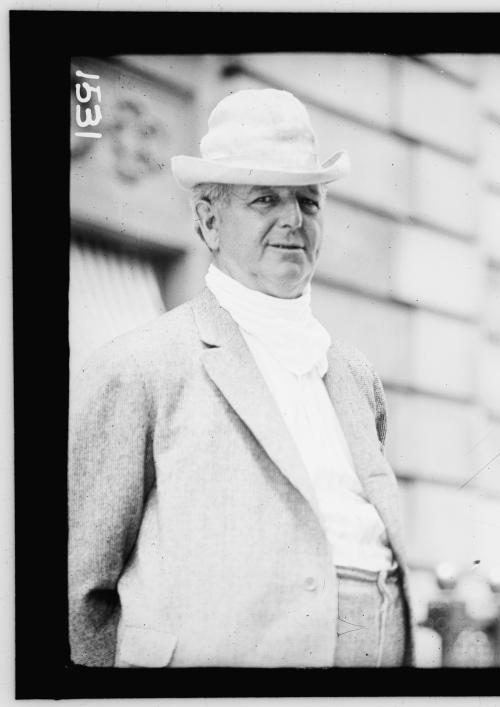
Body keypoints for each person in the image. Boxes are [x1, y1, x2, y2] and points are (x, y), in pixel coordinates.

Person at [68, 89, 413, 667]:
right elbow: (78, 592)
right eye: (264, 199)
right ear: (208, 219)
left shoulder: (355, 376)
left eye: (308, 200)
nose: (292, 220)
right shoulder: (139, 365)